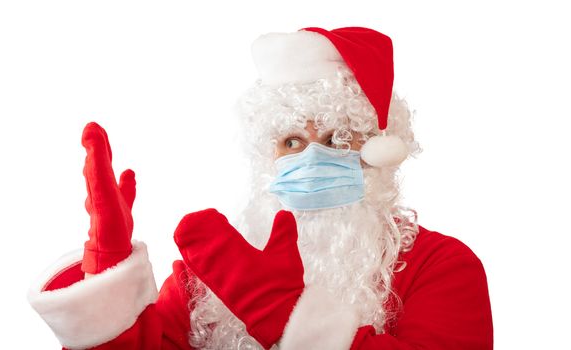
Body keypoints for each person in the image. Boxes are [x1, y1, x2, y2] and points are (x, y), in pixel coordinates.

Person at [28, 26, 493, 349]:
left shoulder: (441, 266)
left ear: (377, 153)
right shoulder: (212, 271)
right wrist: (105, 273)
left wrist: (284, 310)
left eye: (336, 139)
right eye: (291, 141)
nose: (310, 158)